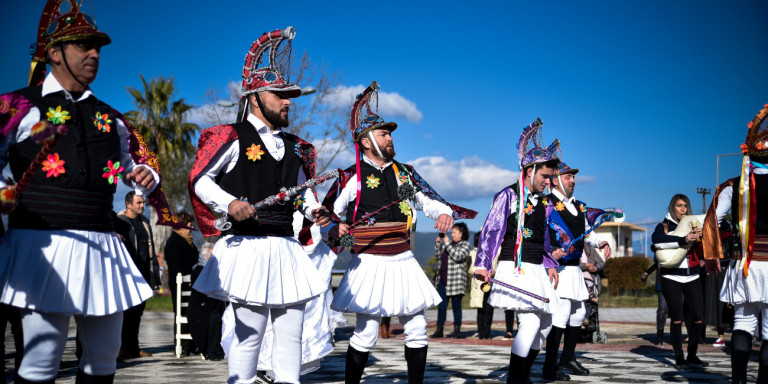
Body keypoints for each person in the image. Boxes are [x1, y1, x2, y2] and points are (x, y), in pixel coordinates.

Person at [0, 1, 183, 382]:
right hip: (40, 245)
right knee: (40, 362)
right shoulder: (17, 106)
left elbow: (135, 163)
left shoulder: (112, 117)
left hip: (101, 245)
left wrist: (144, 174)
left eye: (97, 46)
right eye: (83, 45)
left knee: (103, 360)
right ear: (54, 53)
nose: (94, 54)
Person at [188, 27, 332, 384]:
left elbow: (301, 191)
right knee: (247, 337)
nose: (287, 101)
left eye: (290, 95)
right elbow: (201, 180)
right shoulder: (231, 137)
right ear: (255, 97)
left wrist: (314, 209)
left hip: (287, 248)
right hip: (248, 248)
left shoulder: (298, 147)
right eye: (279, 94)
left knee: (290, 339)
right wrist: (230, 202)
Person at [322, 81, 476, 384]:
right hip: (369, 261)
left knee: (417, 327)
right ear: (366, 142)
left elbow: (427, 202)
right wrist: (333, 226)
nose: (390, 138)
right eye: (383, 133)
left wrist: (442, 213)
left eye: (390, 133)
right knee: (366, 333)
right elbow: (329, 213)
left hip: (403, 259)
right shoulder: (351, 176)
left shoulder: (403, 172)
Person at [473, 118, 562, 384]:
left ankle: (521, 375)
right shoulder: (508, 196)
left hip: (536, 268)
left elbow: (543, 240)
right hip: (515, 266)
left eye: (550, 177)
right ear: (530, 170)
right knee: (531, 323)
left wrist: (550, 264)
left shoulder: (543, 203)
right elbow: (491, 232)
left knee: (546, 323)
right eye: (545, 176)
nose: (549, 182)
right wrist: (482, 264)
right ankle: (517, 378)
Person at [702, 103, 768, 384]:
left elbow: (712, 220)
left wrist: (713, 253)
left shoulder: (733, 185)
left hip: (743, 264)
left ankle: (738, 382)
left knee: (742, 323)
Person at [251, 215, 347, 380]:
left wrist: (329, 229)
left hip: (306, 259)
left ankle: (280, 372)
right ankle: (263, 367)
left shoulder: (311, 200)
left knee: (297, 321)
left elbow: (317, 215)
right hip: (276, 251)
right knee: (268, 317)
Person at [543, 161, 612, 380]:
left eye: (573, 177)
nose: (573, 181)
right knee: (561, 315)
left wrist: (601, 243)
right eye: (568, 177)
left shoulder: (578, 206)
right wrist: (550, 252)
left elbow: (587, 231)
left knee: (579, 313)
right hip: (557, 268)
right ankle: (550, 365)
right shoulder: (545, 203)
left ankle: (568, 357)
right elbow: (537, 232)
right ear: (555, 180)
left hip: (574, 270)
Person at [651, 194, 706, 370]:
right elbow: (656, 241)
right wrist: (683, 239)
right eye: (679, 205)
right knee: (677, 318)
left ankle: (692, 355)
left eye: (685, 206)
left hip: (693, 276)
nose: (682, 209)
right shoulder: (664, 226)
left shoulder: (694, 225)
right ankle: (679, 357)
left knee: (697, 317)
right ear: (672, 207)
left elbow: (703, 248)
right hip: (671, 277)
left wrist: (703, 246)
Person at [116, 192, 157, 359]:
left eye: (142, 202)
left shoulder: (145, 222)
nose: (142, 205)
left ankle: (133, 347)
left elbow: (150, 249)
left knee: (137, 313)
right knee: (125, 313)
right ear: (128, 204)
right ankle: (121, 347)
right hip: (127, 274)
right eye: (138, 203)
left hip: (144, 273)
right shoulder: (120, 222)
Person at [163, 211, 199, 356]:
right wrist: (188, 278)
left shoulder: (189, 242)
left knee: (192, 313)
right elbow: (177, 266)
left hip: (191, 285)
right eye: (189, 225)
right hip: (181, 286)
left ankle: (192, 343)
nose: (191, 228)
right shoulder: (173, 243)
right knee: (181, 313)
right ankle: (182, 345)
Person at [431, 222, 472, 339]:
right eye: (452, 232)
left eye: (454, 232)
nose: (452, 234)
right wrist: (438, 244)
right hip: (443, 279)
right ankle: (439, 329)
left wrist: (447, 244)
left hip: (456, 281)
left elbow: (458, 256)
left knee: (456, 306)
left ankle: (457, 330)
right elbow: (439, 256)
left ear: (461, 234)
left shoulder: (465, 245)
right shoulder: (448, 244)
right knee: (442, 306)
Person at [187, 242, 226, 360]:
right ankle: (212, 350)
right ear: (205, 256)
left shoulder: (214, 269)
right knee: (215, 317)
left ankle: (221, 348)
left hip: (212, 304)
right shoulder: (199, 269)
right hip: (200, 306)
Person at [469, 232, 495, 339]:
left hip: (490, 284)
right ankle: (480, 331)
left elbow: (495, 266)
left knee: (489, 309)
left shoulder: (492, 253)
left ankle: (487, 331)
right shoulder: (473, 253)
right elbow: (470, 269)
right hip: (478, 285)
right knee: (480, 310)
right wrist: (479, 271)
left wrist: (493, 272)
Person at [641, 254, 668, 345]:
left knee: (680, 310)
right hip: (662, 280)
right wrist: (647, 272)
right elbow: (657, 263)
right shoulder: (659, 247)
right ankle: (659, 337)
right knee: (662, 309)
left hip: (679, 279)